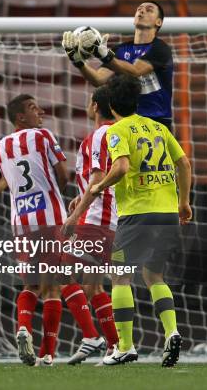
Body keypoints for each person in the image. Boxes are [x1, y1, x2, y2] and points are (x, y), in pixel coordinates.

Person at [90, 74, 192, 367]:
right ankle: (171, 331)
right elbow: (183, 162)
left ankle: (125, 346)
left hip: (137, 214)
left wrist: (98, 186)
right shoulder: (157, 127)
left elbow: (121, 167)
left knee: (120, 275)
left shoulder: (117, 130)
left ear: (111, 103)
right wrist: (183, 202)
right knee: (153, 275)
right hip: (166, 213)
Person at [0, 94, 69, 367]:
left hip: (22, 223)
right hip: (51, 219)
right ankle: (47, 354)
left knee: (31, 285)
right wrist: (54, 192)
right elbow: (64, 175)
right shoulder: (43, 136)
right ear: (21, 117)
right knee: (53, 288)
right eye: (33, 107)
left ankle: (23, 327)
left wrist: (10, 183)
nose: (40, 110)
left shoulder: (0, 147)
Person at [61, 86, 120, 364]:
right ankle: (115, 347)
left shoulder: (98, 135)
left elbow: (98, 180)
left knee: (58, 272)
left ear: (95, 105)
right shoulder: (118, 133)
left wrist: (74, 217)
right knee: (92, 287)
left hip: (95, 219)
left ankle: (90, 336)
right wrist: (80, 195)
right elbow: (102, 179)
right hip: (110, 217)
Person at [63, 1, 174, 131]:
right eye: (139, 9)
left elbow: (135, 71)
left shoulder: (160, 49)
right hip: (127, 124)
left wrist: (105, 56)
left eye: (149, 10)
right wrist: (78, 62)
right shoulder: (120, 50)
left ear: (158, 22)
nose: (142, 11)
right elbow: (98, 79)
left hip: (156, 124)